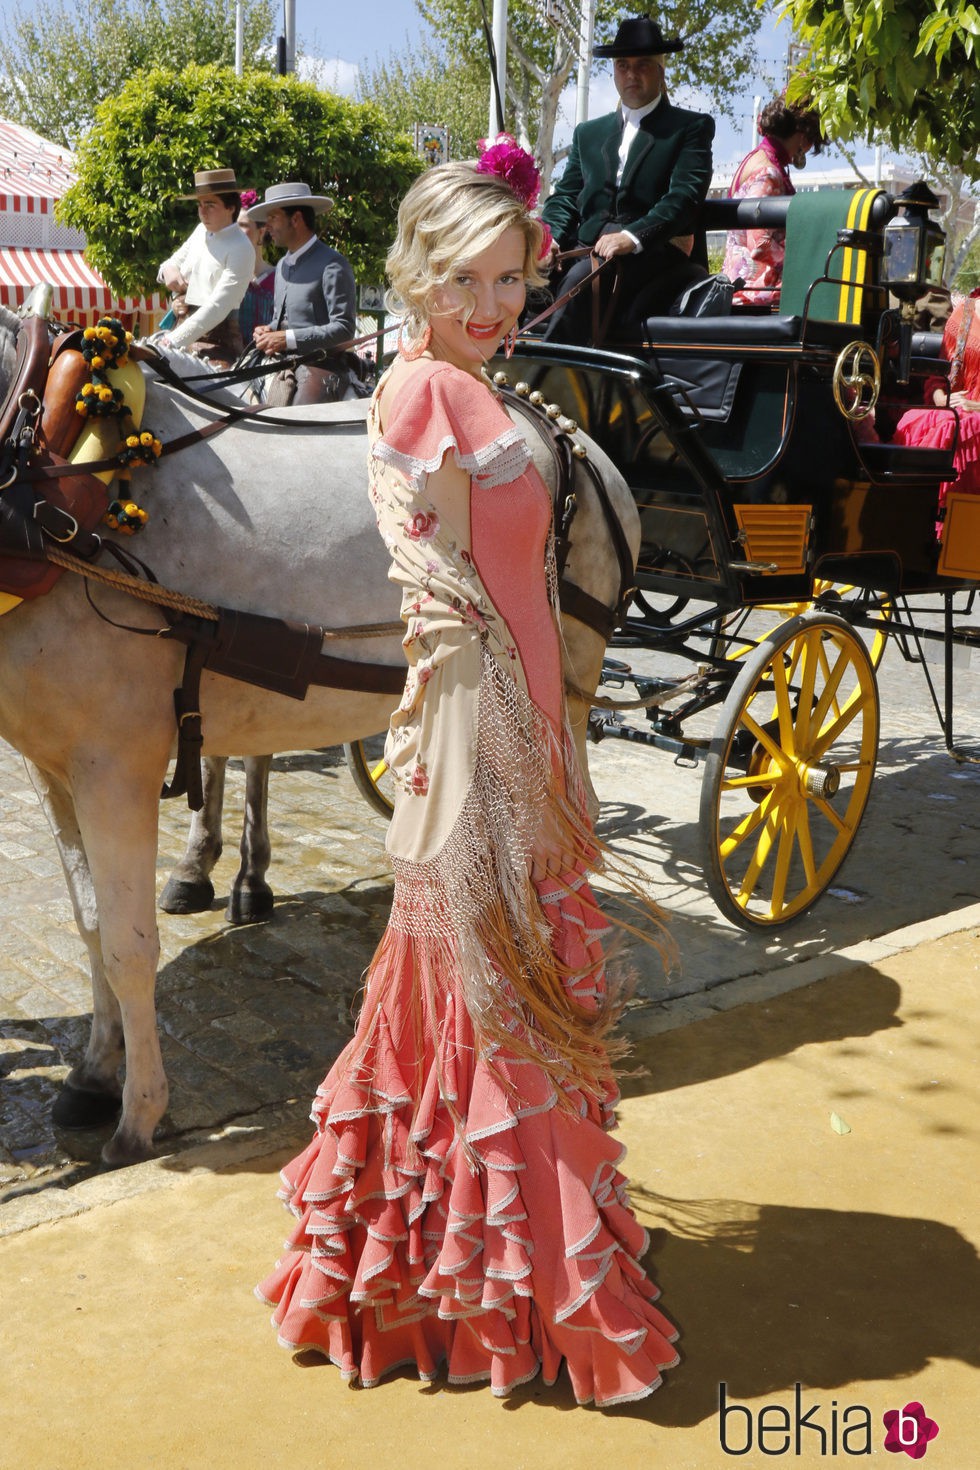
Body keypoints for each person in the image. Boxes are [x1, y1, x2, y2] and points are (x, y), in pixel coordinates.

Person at [256, 142, 679, 1407]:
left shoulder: (480, 389)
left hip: (525, 726)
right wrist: (505, 762)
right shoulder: (421, 396)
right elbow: (440, 601)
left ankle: (479, 1285)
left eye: (512, 281)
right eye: (471, 282)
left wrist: (555, 742)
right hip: (468, 736)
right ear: (421, 273)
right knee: (487, 1008)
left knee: (492, 1010)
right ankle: (525, 1303)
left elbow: (522, 597)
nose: (496, 306)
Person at [540, 13, 714, 343]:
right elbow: (565, 196)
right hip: (586, 246)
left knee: (582, 282)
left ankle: (545, 383)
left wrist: (632, 237)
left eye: (642, 65)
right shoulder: (588, 133)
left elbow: (684, 197)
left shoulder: (690, 128)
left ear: (661, 70)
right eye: (622, 65)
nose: (631, 74)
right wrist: (549, 238)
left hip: (652, 252)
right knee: (518, 277)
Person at [247, 180, 358, 403]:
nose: (267, 226)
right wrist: (268, 331)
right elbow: (283, 319)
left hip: (322, 365)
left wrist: (286, 338)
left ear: (296, 219)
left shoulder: (332, 264)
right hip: (281, 360)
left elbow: (344, 328)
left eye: (273, 218)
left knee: (296, 423)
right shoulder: (281, 266)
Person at [721, 96, 823, 309]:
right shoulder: (769, 174)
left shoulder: (753, 159)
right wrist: (803, 263)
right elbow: (760, 245)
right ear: (803, 135)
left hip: (736, 288)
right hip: (754, 295)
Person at [892, 289, 980, 523]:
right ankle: (913, 521)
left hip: (975, 412)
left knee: (954, 427)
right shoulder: (965, 313)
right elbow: (938, 378)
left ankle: (948, 526)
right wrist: (943, 398)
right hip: (957, 405)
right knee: (913, 419)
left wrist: (977, 406)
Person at [156, 167, 254, 367]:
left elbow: (217, 308)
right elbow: (171, 263)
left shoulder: (241, 248)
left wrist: (171, 341)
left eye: (210, 204)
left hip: (218, 342)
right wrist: (168, 271)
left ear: (230, 207)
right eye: (200, 204)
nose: (202, 211)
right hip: (179, 330)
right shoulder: (201, 230)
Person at [235, 189, 276, 349]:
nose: (236, 232)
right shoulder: (222, 276)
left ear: (261, 232)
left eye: (243, 225)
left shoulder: (280, 279)